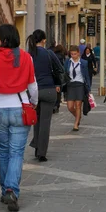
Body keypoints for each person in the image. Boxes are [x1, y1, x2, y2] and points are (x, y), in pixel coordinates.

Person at [0, 24, 38, 212]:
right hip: (20, 107)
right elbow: (33, 85)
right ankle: (11, 188)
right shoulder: (26, 57)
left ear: (3, 39)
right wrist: (33, 102)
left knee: (3, 151)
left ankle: (5, 190)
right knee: (17, 152)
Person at [27, 29, 59, 162]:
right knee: (45, 122)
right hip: (49, 90)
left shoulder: (29, 54)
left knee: (36, 121)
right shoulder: (49, 53)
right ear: (44, 40)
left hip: (34, 90)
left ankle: (36, 148)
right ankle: (42, 152)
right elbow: (59, 68)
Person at [64, 46, 91, 131]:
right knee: (70, 106)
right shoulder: (67, 62)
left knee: (78, 105)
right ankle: (77, 116)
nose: (73, 55)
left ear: (78, 53)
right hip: (70, 85)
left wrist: (89, 88)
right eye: (71, 54)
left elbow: (87, 76)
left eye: (75, 54)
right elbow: (65, 73)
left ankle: (76, 124)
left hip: (80, 85)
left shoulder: (83, 62)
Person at [53, 44, 66, 113]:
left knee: (55, 90)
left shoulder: (53, 55)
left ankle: (54, 105)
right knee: (59, 91)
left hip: (54, 74)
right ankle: (57, 105)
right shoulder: (62, 56)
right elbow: (63, 66)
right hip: (60, 75)